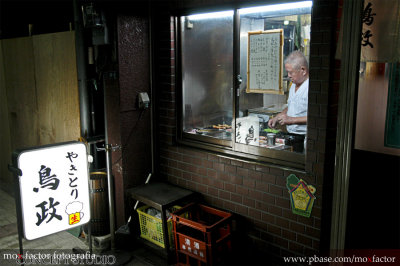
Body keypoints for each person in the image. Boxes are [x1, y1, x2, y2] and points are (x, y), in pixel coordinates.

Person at [268, 50, 309, 135]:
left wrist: (291, 120)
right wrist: (277, 117)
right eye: (287, 72)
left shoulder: (310, 87)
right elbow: (291, 107)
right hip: (291, 134)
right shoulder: (293, 84)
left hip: (305, 136)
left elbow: (317, 118)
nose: (289, 75)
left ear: (303, 70)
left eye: (291, 72)